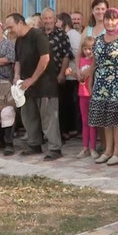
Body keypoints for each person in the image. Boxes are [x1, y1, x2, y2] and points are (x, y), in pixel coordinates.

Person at [6, 13, 63, 161]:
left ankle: (54, 148)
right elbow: (17, 60)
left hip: (45, 84)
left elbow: (45, 59)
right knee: (29, 116)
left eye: (11, 26)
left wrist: (32, 79)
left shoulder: (38, 35)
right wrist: (17, 75)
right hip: (26, 85)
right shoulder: (18, 41)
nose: (9, 30)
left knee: (48, 117)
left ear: (20, 23)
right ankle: (34, 144)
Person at [89, 8, 118, 166]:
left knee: (116, 119)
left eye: (113, 19)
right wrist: (90, 84)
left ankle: (117, 152)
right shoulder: (99, 39)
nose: (110, 22)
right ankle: (107, 151)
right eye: (107, 19)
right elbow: (94, 63)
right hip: (100, 83)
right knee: (105, 119)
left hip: (117, 82)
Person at [41, 8, 75, 142]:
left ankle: (59, 135)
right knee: (44, 107)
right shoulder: (38, 34)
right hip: (41, 76)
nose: (48, 21)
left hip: (56, 74)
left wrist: (62, 73)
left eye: (50, 18)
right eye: (45, 18)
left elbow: (66, 55)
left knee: (58, 107)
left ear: (54, 19)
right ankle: (45, 134)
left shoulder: (61, 34)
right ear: (42, 20)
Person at [57, 12, 82, 138]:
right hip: (66, 73)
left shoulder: (73, 35)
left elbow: (78, 52)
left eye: (58, 21)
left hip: (72, 74)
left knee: (71, 103)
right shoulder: (64, 34)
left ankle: (73, 128)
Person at [76, 36, 98, 159]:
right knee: (85, 121)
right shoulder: (81, 61)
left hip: (92, 94)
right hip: (82, 94)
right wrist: (74, 73)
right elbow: (79, 77)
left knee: (92, 122)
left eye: (90, 49)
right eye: (85, 49)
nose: (88, 51)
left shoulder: (95, 62)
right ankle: (85, 147)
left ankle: (93, 148)